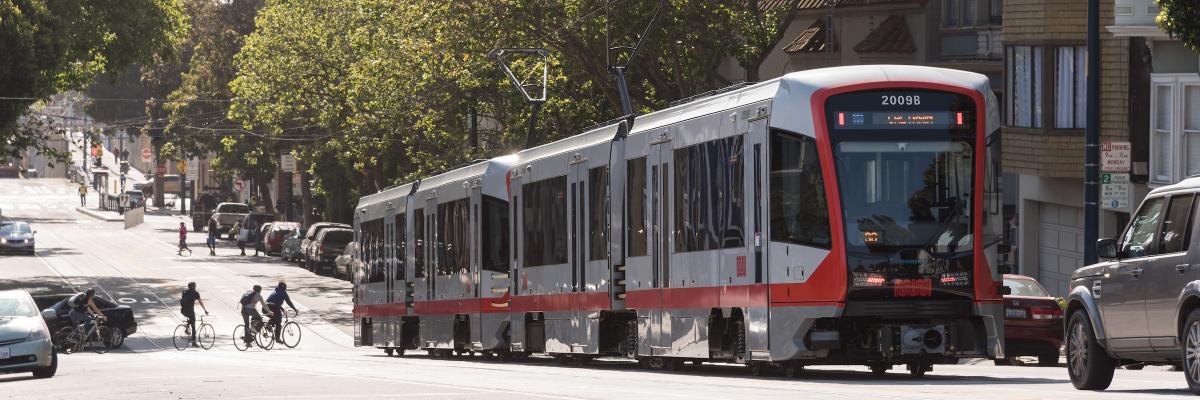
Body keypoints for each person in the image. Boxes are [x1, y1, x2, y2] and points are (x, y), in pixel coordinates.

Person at [180, 282, 209, 346]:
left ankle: (187, 329)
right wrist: (205, 310)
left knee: (191, 319)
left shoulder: (184, 292)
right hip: (190, 311)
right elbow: (200, 302)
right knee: (193, 326)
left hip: (183, 311)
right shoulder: (196, 293)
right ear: (193, 287)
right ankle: (193, 342)